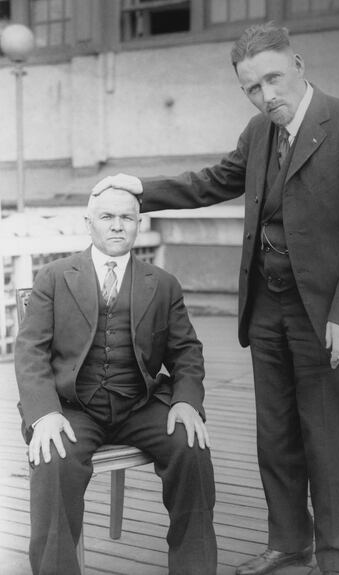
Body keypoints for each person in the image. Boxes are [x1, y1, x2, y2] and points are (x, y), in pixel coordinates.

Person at [92, 23, 339, 575]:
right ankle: (288, 544)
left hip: (326, 315)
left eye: (273, 80)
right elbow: (212, 182)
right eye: (252, 89)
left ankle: (336, 560)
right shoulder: (260, 132)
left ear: (299, 66)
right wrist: (139, 188)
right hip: (267, 311)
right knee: (275, 436)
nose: (266, 96)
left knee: (328, 444)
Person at [14, 185, 217, 575]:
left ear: (138, 225)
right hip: (73, 408)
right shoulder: (54, 277)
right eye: (107, 217)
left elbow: (186, 351)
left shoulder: (162, 282)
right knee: (53, 460)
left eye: (127, 218)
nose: (117, 226)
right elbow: (30, 352)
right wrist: (44, 414)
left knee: (190, 447)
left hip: (140, 404)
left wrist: (186, 401)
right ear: (89, 223)